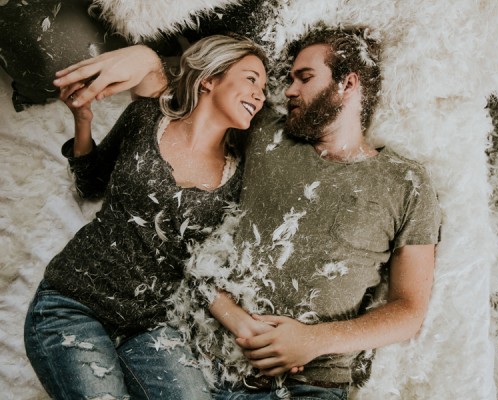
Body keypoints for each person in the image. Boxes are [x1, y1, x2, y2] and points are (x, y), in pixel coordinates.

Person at [55, 25, 442, 399]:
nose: (287, 90)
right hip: (198, 357)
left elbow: (408, 309)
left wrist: (313, 341)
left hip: (307, 383)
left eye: (304, 78)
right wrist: (143, 57)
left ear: (349, 82)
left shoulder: (405, 182)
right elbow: (185, 97)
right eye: (288, 78)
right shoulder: (264, 131)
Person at [24, 34, 269, 400]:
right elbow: (91, 182)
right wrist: (83, 120)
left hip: (152, 326)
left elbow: (204, 267)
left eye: (264, 88)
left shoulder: (240, 178)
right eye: (252, 78)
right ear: (210, 78)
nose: (260, 94)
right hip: (74, 302)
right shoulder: (146, 117)